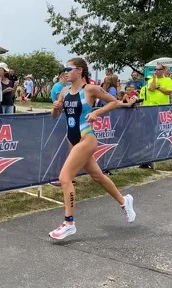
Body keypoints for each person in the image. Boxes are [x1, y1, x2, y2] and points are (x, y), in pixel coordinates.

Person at [48, 57, 135, 240]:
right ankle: (123, 201)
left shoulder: (90, 89)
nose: (65, 71)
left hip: (87, 138)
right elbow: (55, 116)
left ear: (79, 70)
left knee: (65, 178)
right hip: (72, 139)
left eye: (68, 68)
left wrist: (96, 112)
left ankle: (69, 223)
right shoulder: (64, 91)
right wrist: (56, 108)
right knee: (97, 176)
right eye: (65, 69)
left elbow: (113, 102)